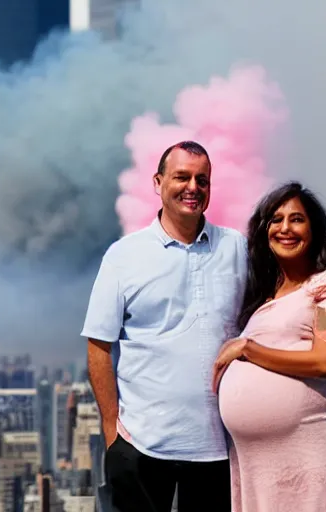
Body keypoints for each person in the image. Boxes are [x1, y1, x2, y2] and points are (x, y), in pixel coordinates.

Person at [82, 140, 247, 512]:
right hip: (140, 447)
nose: (193, 188)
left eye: (202, 180)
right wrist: (113, 432)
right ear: (157, 183)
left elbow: (284, 292)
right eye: (181, 177)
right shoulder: (124, 256)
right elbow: (98, 347)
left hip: (219, 449)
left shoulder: (237, 248)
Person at [213, 181, 326, 512]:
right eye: (276, 219)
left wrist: (247, 350)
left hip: (303, 452)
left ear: (314, 230)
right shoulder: (261, 298)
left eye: (296, 219)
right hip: (254, 461)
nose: (285, 228)